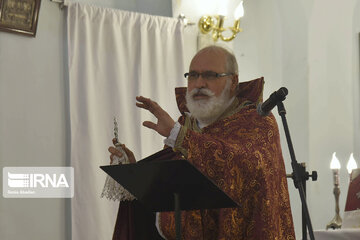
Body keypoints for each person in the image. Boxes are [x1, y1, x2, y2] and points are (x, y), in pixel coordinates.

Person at [109, 46, 295, 240]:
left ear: (233, 82)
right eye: (193, 75)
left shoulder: (257, 121)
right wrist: (135, 176)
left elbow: (241, 166)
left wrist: (179, 136)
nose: (199, 83)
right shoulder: (186, 125)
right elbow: (172, 190)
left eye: (210, 75)